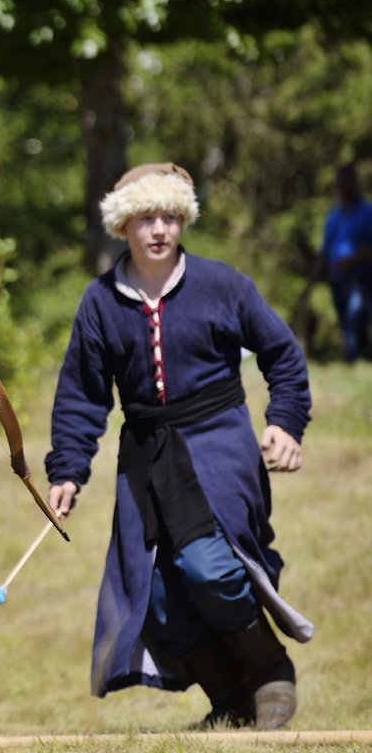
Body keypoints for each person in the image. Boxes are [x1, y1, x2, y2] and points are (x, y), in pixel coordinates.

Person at [43, 163, 313, 730]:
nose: (159, 229)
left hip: (217, 444)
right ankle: (231, 698)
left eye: (169, 215)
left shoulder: (223, 285)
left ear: (183, 218)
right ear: (123, 227)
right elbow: (82, 395)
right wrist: (68, 470)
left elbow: (283, 356)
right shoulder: (99, 303)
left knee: (209, 567)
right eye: (145, 217)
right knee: (154, 594)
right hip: (143, 455)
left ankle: (270, 671)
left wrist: (285, 422)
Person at [313, 163, 372, 361]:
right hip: (337, 281)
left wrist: (353, 259)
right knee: (346, 325)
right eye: (339, 184)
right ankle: (358, 359)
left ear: (355, 184)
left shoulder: (367, 213)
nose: (343, 188)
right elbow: (325, 251)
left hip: (361, 280)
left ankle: (354, 361)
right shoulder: (333, 216)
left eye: (347, 184)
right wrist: (313, 280)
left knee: (356, 321)